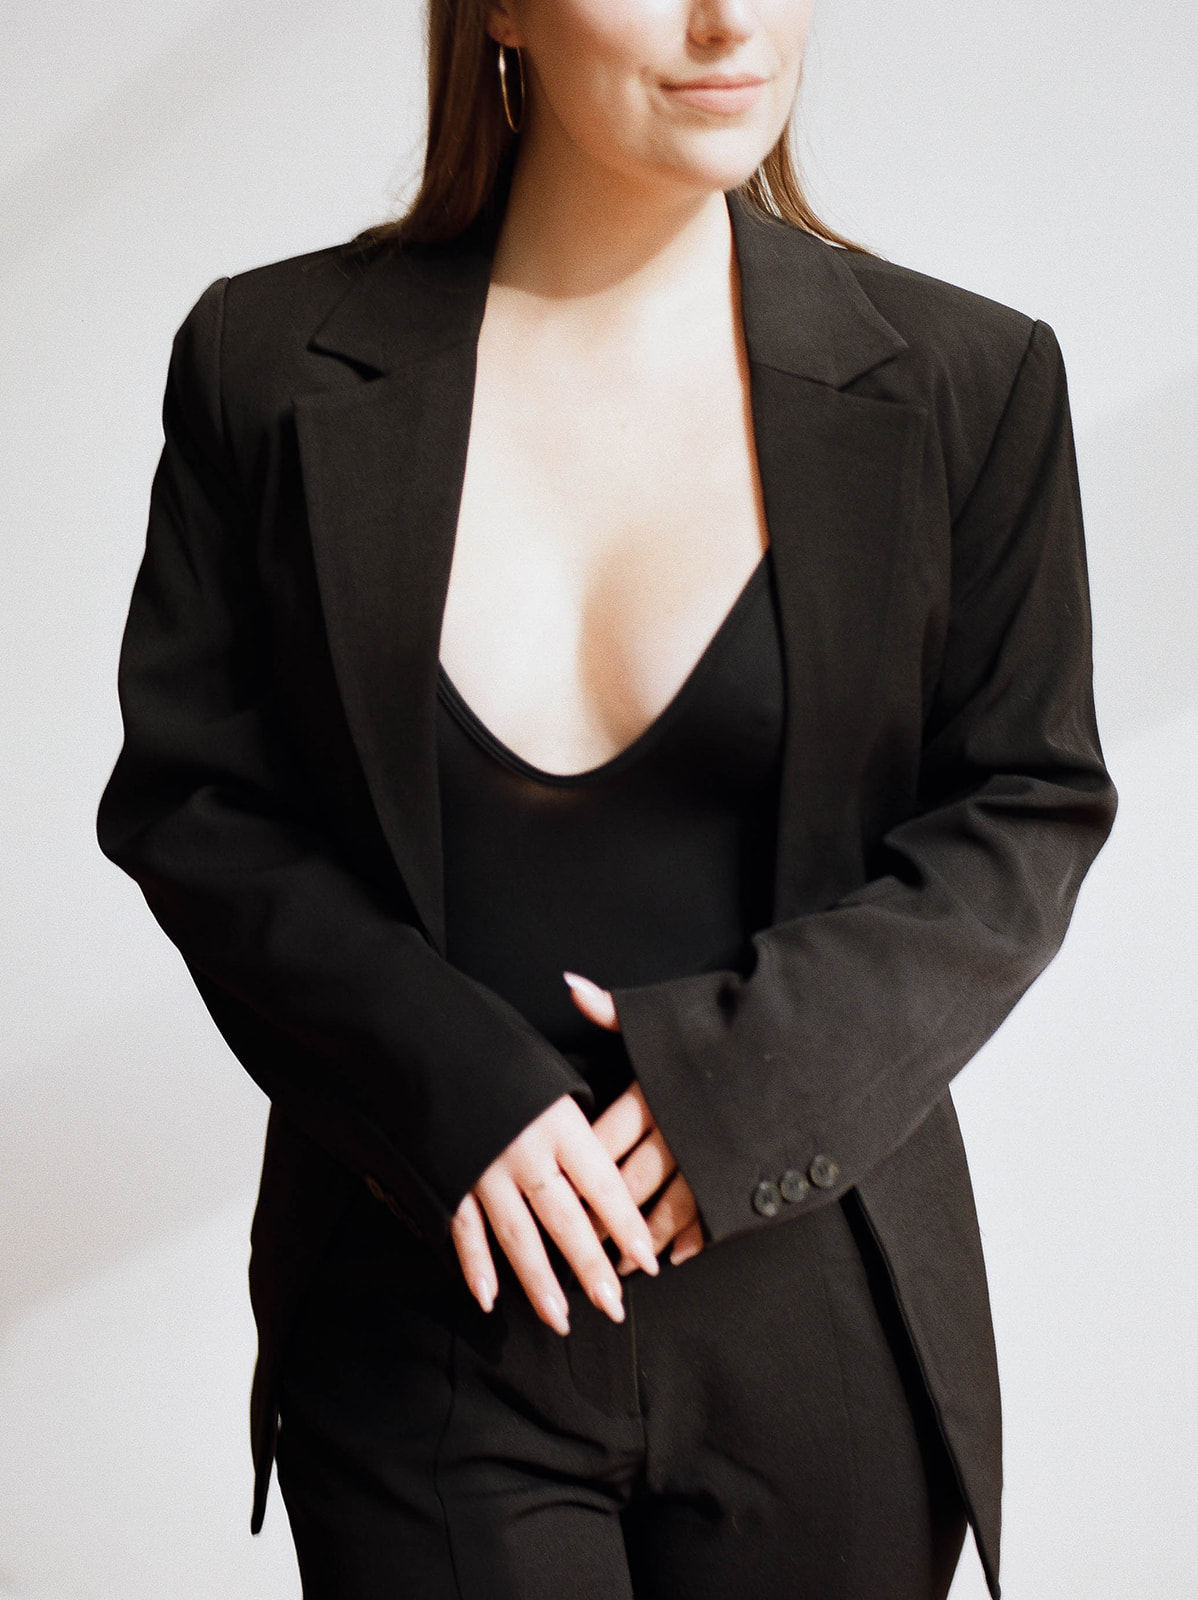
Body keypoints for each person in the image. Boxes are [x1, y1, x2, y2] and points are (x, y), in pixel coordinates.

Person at [96, 0, 1117, 1595]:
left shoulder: (964, 383)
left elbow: (1023, 806)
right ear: (500, 9)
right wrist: (446, 1088)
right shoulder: (266, 362)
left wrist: (737, 1093)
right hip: (418, 1304)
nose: (727, 22)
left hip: (824, 1320)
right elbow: (195, 805)